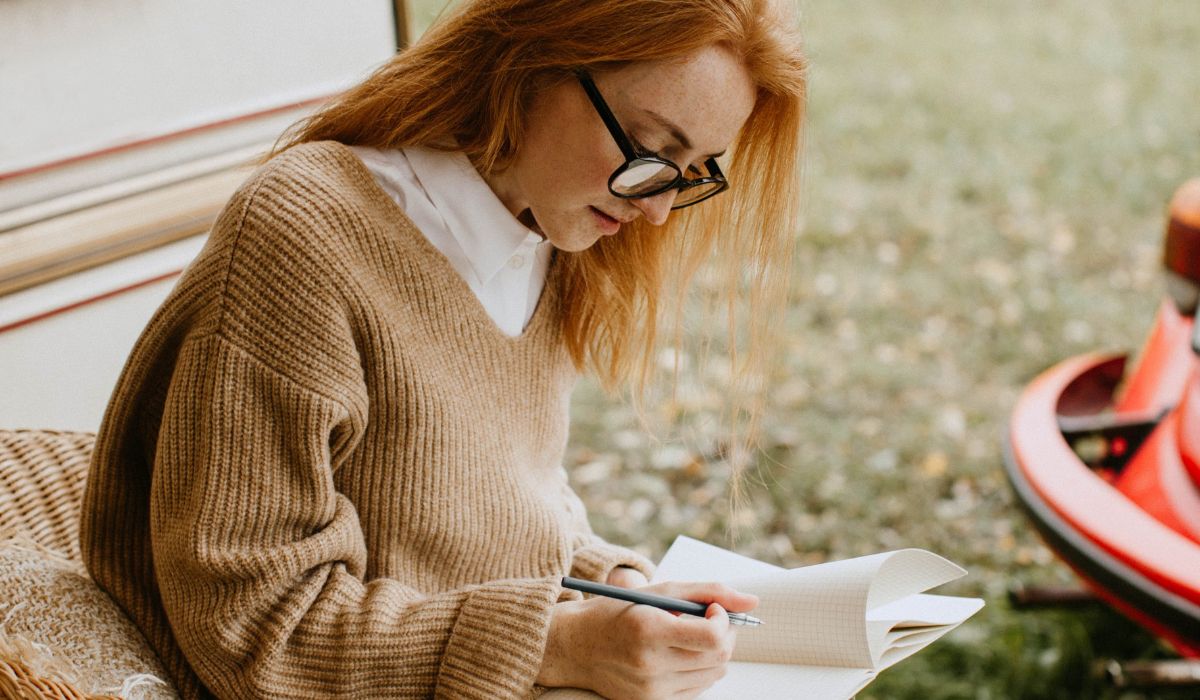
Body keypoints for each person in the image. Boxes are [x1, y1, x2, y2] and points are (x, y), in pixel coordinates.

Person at [79, 0, 806, 697]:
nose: (655, 208)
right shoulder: (303, 239)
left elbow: (500, 503)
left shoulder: (546, 227)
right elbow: (256, 626)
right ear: (531, 63)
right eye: (650, 150)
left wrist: (620, 590)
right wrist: (557, 646)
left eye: (693, 170)